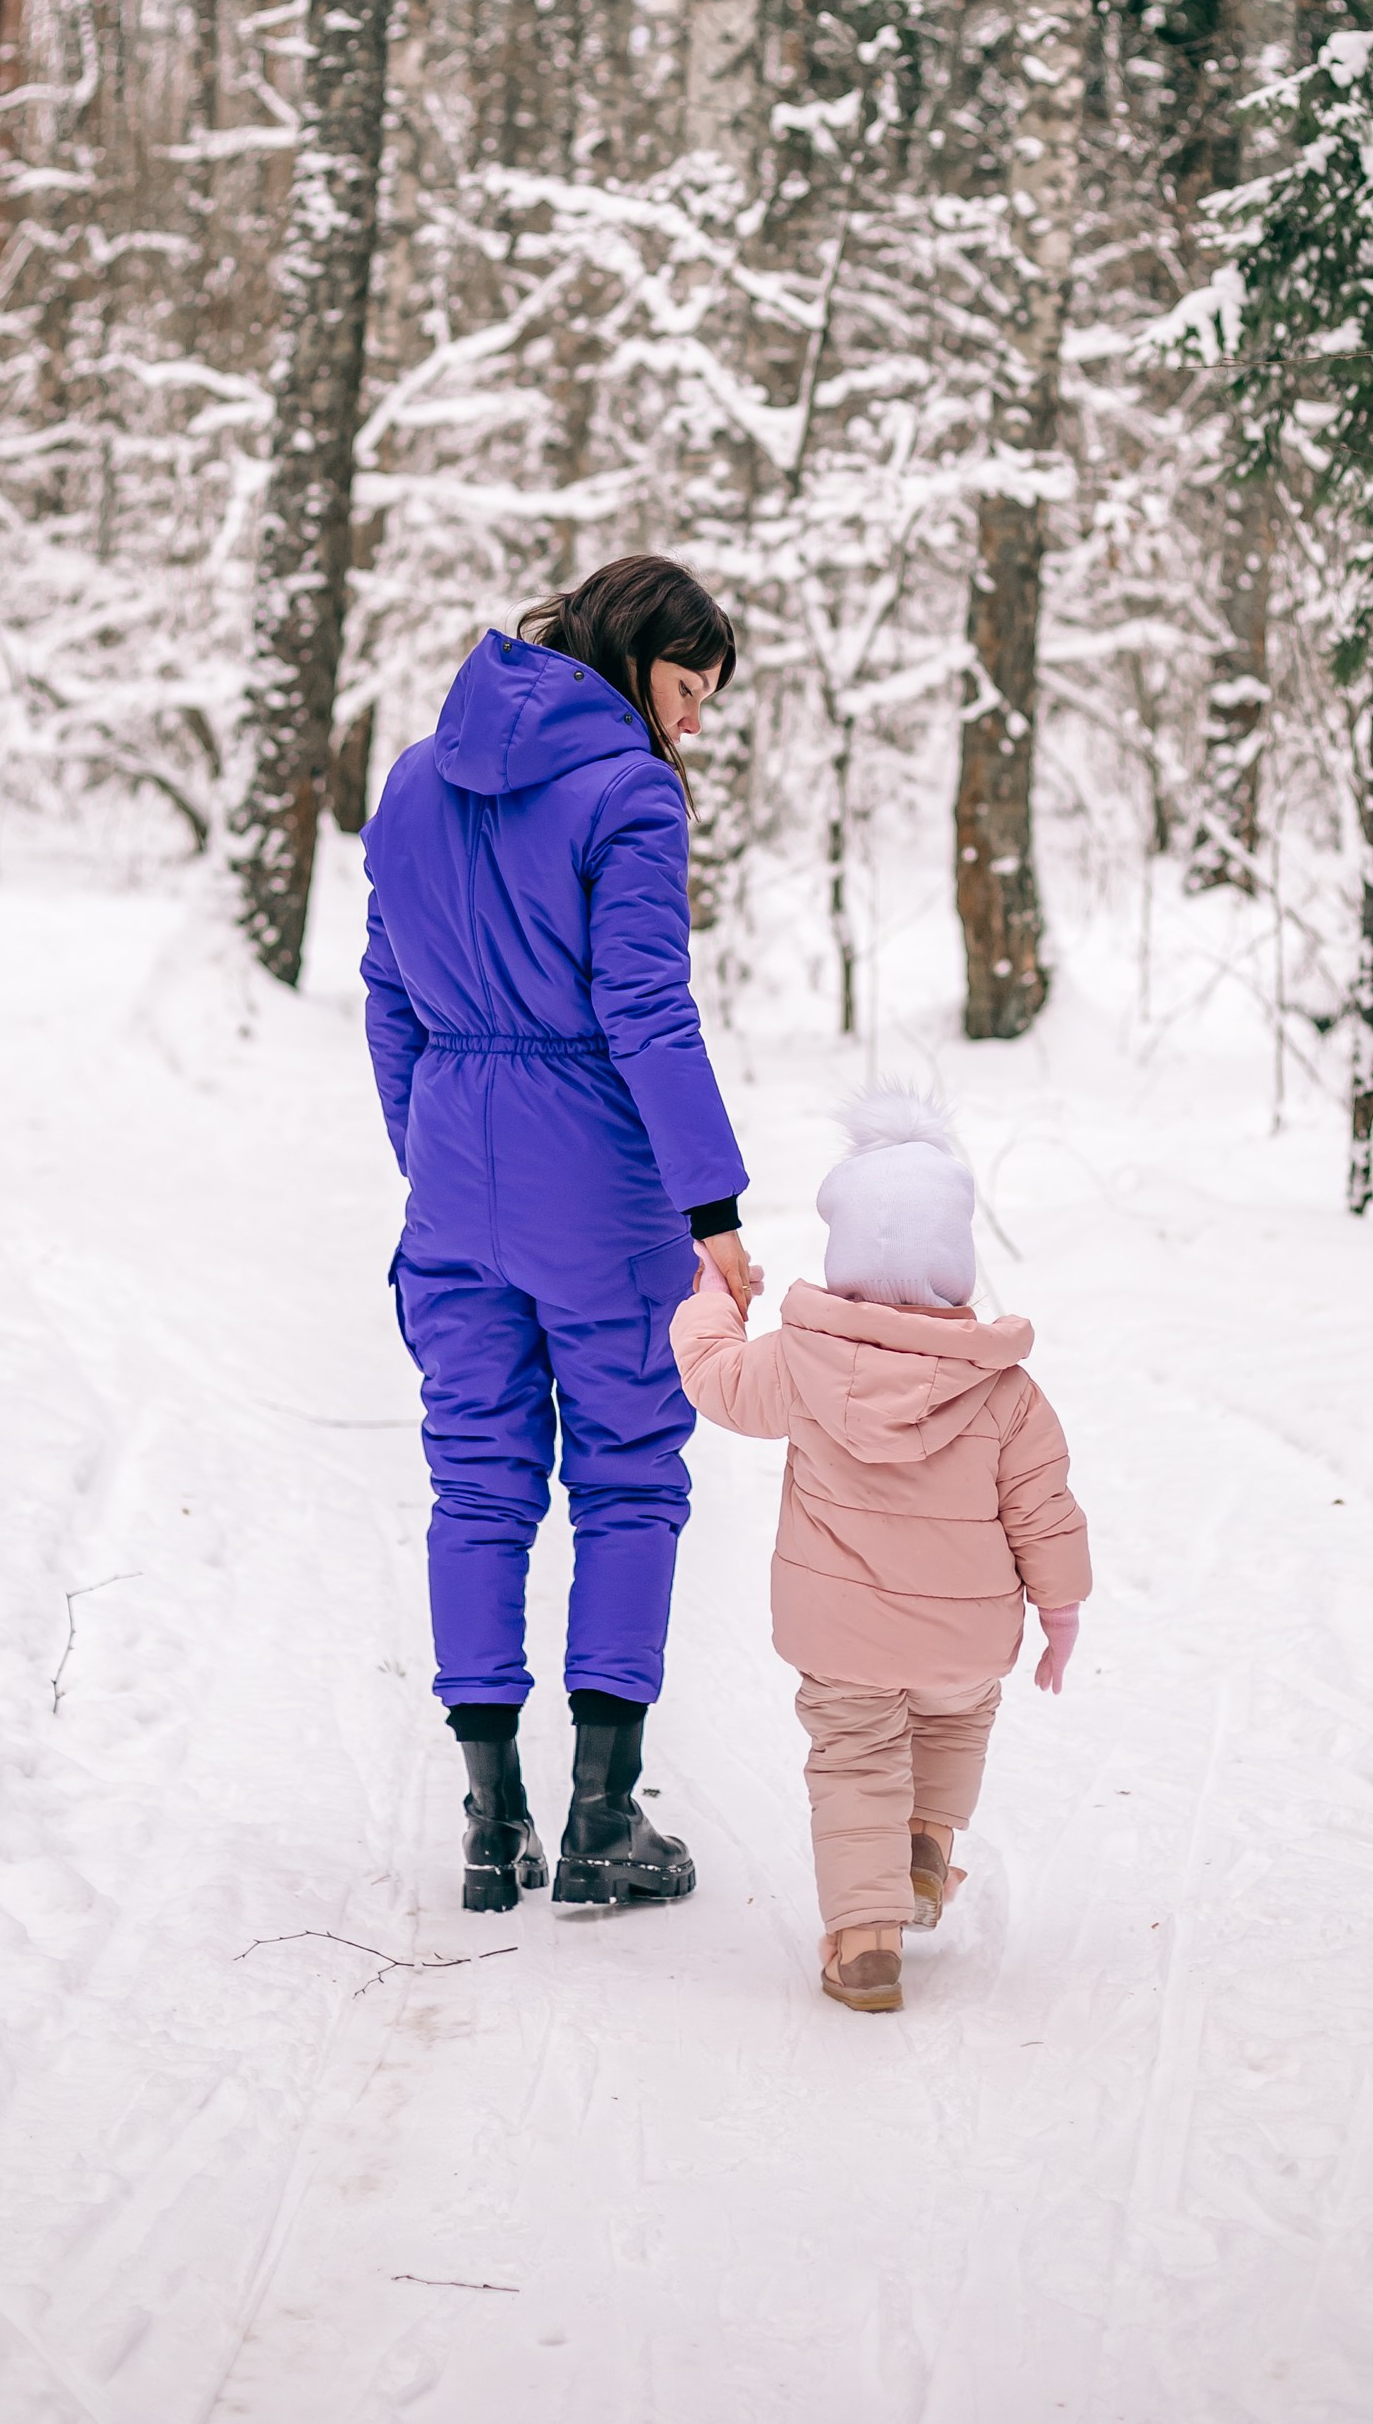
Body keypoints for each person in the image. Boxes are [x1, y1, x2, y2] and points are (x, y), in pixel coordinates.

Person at [360, 555, 759, 1916]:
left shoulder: (414, 779)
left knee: (476, 1484)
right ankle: (602, 1818)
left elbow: (388, 994)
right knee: (631, 1479)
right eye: (687, 686)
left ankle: (490, 1824)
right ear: (636, 651)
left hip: (453, 1176)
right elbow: (647, 1010)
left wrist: (431, 1152)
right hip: (598, 1182)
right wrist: (712, 1207)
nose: (691, 722)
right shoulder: (628, 793)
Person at [670, 1091, 1089, 2012]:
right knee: (953, 1720)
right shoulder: (1006, 1390)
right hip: (964, 1635)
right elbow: (1045, 1510)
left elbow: (714, 1382)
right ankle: (926, 1854)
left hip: (842, 1637)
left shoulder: (799, 1359)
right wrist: (1057, 1613)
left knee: (856, 1757)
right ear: (957, 1264)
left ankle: (863, 1941)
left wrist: (712, 1302)